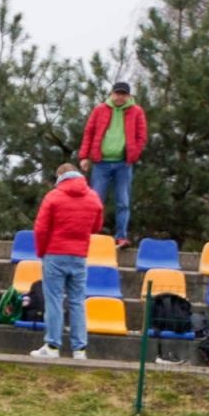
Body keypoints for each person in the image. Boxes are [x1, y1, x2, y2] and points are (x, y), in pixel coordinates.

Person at [30, 163, 105, 360]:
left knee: (54, 300)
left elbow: (41, 229)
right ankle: (80, 349)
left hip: (54, 254)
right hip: (79, 255)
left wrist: (41, 251)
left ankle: (53, 346)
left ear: (60, 176)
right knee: (78, 302)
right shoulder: (93, 197)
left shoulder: (53, 197)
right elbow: (96, 226)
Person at [78, 81, 148, 248]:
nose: (120, 97)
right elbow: (89, 132)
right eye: (117, 93)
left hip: (123, 164)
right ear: (111, 94)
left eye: (123, 94)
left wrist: (133, 155)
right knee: (95, 201)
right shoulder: (100, 109)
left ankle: (121, 237)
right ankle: (91, 235)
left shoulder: (136, 112)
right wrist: (84, 156)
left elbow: (141, 136)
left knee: (123, 202)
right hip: (101, 163)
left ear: (129, 96)